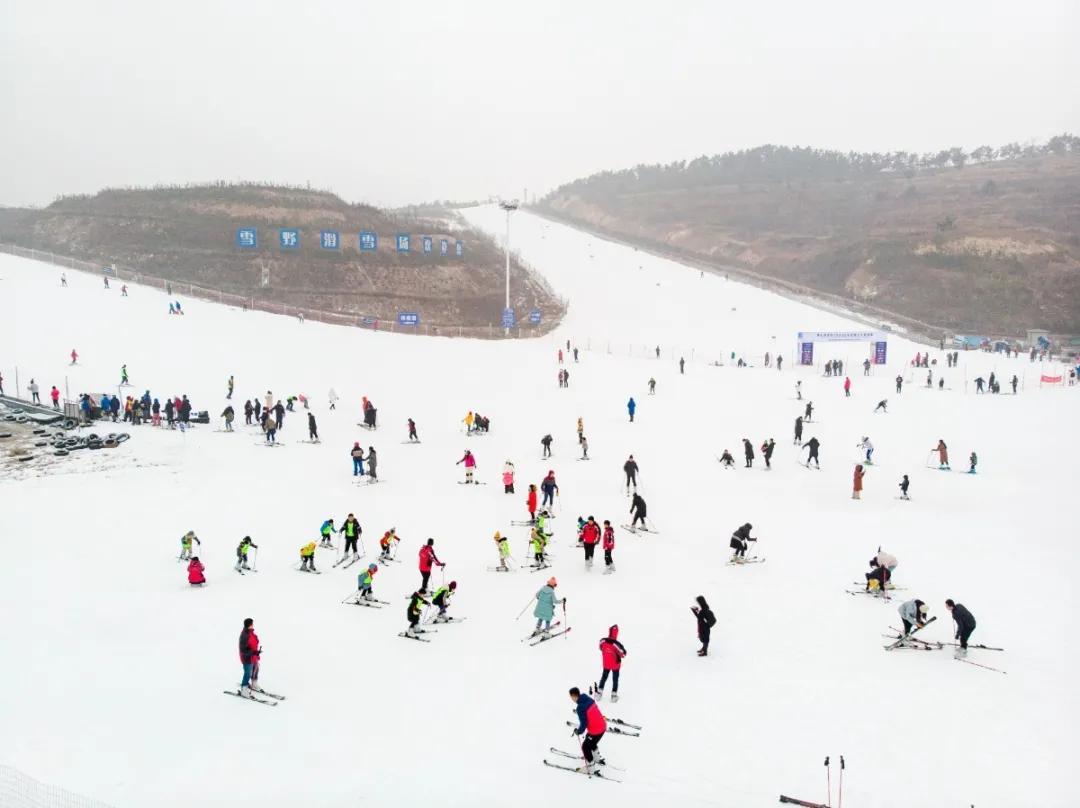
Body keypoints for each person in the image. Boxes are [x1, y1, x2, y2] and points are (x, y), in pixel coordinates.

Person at [238, 618, 261, 696]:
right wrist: (253, 652)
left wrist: (256, 652)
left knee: (256, 669)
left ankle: (254, 683)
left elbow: (254, 642)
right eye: (252, 623)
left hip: (253, 656)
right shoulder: (244, 635)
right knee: (248, 672)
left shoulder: (251, 632)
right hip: (247, 658)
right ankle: (244, 688)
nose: (253, 625)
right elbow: (243, 650)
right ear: (249, 625)